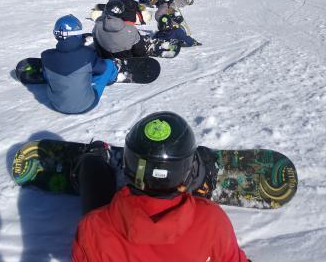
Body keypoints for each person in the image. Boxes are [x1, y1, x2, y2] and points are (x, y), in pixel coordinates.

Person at [72, 111, 249, 262]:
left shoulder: (93, 228)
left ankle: (95, 157)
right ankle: (201, 170)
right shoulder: (211, 220)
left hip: (108, 226)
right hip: (195, 214)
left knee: (91, 165)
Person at [41, 14, 118, 114]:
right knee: (108, 64)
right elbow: (102, 68)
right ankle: (113, 77)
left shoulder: (46, 56)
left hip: (57, 105)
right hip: (87, 104)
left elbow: (46, 76)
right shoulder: (88, 53)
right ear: (78, 33)